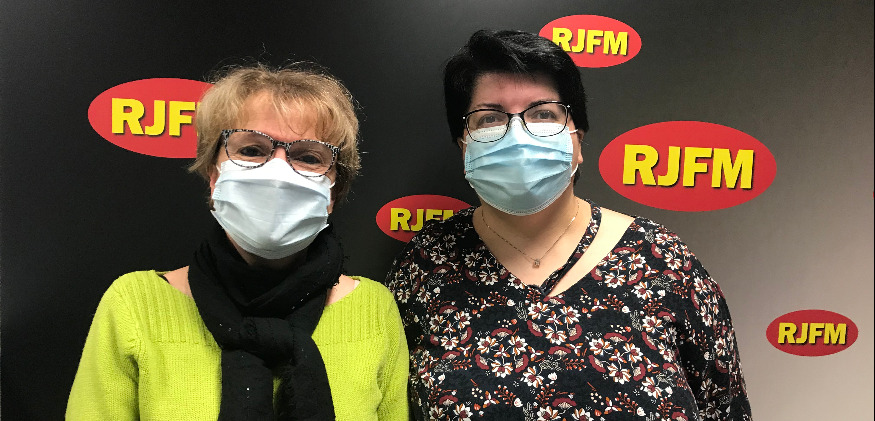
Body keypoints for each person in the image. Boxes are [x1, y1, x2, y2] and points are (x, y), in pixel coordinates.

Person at [387, 30, 752, 420]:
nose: (518, 135)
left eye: (543, 113)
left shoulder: (664, 262)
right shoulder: (426, 266)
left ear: (578, 138)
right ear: (464, 146)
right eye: (490, 117)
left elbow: (725, 408)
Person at [67, 64, 408, 420]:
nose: (277, 174)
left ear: (333, 192)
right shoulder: (135, 305)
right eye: (251, 150)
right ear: (213, 175)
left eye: (309, 157)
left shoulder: (373, 311)